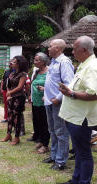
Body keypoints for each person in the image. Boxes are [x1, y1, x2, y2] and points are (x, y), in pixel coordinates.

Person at [57, 36, 97, 184]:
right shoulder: (84, 65)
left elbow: (93, 93)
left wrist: (71, 93)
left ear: (84, 50)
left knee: (84, 154)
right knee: (80, 153)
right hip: (75, 117)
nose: (72, 52)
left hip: (82, 118)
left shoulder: (92, 67)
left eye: (74, 49)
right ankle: (76, 180)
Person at [41, 39, 74, 170]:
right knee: (53, 131)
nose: (48, 49)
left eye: (50, 46)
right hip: (49, 101)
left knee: (61, 132)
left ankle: (61, 161)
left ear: (57, 48)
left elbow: (69, 83)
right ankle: (54, 155)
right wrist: (47, 96)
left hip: (58, 103)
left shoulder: (64, 63)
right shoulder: (53, 62)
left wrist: (58, 98)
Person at [0, 55, 28, 145]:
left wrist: (10, 93)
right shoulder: (12, 73)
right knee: (10, 116)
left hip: (19, 98)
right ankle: (8, 135)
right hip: (11, 97)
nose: (12, 63)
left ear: (19, 64)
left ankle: (16, 138)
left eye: (14, 62)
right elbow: (8, 85)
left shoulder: (23, 74)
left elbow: (20, 87)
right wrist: (8, 94)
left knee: (16, 117)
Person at [28, 52, 50, 153]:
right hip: (35, 101)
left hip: (44, 101)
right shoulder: (37, 72)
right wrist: (30, 96)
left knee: (45, 123)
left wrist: (45, 89)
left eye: (37, 60)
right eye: (34, 60)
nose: (34, 62)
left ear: (43, 61)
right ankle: (41, 140)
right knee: (38, 122)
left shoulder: (49, 72)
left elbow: (52, 86)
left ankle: (45, 144)